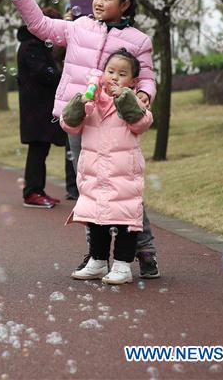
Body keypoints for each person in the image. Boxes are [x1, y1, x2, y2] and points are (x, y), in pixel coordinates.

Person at [7, 0, 160, 279]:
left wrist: (142, 96)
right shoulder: (79, 28)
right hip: (82, 117)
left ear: (125, 4)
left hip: (117, 121)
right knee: (88, 185)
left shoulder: (139, 41)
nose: (99, 2)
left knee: (122, 183)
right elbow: (41, 25)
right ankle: (97, 253)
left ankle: (144, 249)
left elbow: (146, 77)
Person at [63, 49, 153, 284]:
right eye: (110, 71)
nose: (114, 77)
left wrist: (123, 97)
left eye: (122, 74)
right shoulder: (91, 101)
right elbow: (68, 124)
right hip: (94, 172)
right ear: (101, 74)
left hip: (123, 174)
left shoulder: (132, 102)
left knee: (125, 220)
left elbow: (142, 122)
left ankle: (123, 265)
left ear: (133, 82)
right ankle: (98, 261)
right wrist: (80, 103)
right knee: (95, 219)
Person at [17, 7, 75, 208]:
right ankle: (32, 192)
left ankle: (37, 190)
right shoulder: (31, 46)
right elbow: (45, 73)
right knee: (37, 150)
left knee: (41, 150)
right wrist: (68, 78)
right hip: (36, 109)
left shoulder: (37, 44)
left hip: (39, 109)